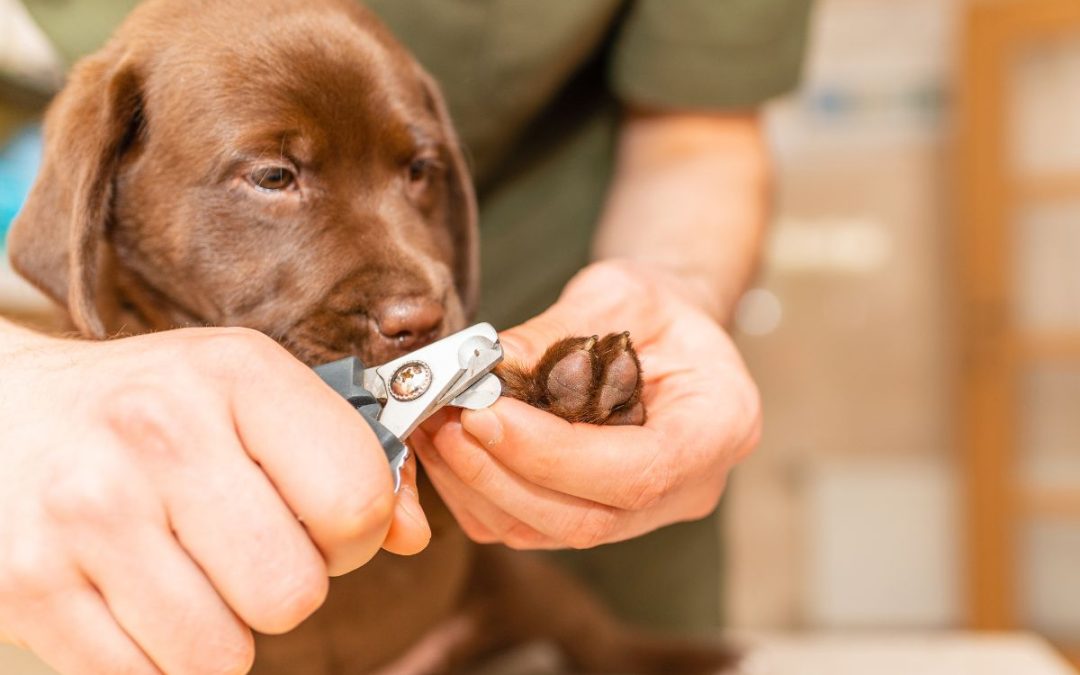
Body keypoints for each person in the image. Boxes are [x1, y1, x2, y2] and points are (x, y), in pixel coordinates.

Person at [0, 0, 812, 671]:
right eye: (276, 176)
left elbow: (698, 131)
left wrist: (670, 293)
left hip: (512, 564)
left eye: (416, 172)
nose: (412, 296)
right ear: (101, 185)